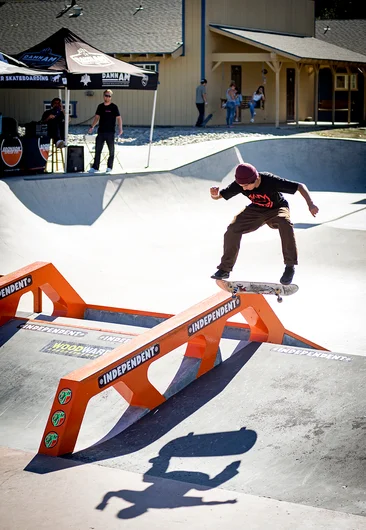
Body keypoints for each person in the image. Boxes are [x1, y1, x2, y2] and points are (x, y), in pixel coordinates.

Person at [209, 162, 319, 285]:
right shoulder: (240, 184)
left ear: (255, 179)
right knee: (233, 229)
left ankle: (289, 266)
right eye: (241, 186)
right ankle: (225, 269)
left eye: (246, 186)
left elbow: (300, 186)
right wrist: (214, 195)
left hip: (277, 209)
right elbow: (220, 196)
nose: (243, 189)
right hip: (255, 210)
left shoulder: (270, 180)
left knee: (285, 223)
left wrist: (310, 204)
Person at [88, 89, 123, 174]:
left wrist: (120, 128)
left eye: (109, 96)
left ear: (111, 97)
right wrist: (92, 126)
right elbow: (97, 117)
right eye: (106, 95)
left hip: (110, 132)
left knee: (111, 150)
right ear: (103, 96)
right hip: (101, 132)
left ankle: (109, 167)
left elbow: (119, 118)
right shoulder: (100, 106)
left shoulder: (114, 107)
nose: (107, 97)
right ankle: (95, 167)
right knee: (98, 150)